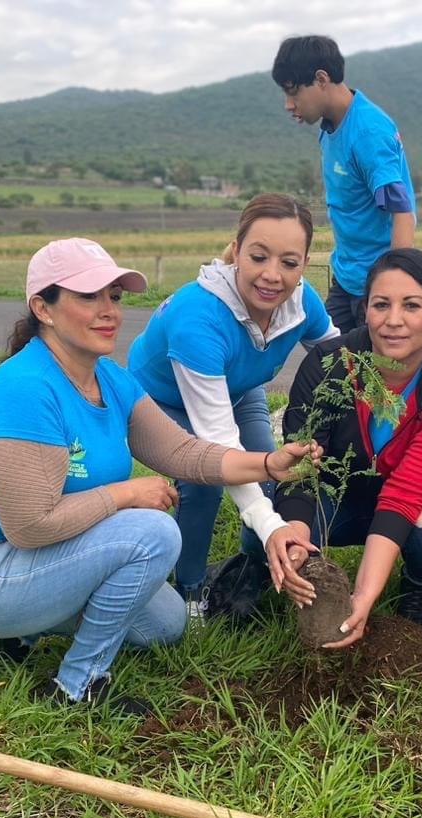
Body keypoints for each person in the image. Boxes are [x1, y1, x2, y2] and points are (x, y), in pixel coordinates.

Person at [0, 238, 317, 715]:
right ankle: (77, 684)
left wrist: (268, 464)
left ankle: (25, 627)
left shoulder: (108, 377)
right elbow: (28, 527)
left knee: (166, 624)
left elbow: (183, 452)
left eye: (114, 296)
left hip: (40, 558)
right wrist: (127, 493)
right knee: (152, 532)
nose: (109, 310)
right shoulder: (25, 387)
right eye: (88, 297)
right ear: (42, 308)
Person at [125, 193, 339, 616]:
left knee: (270, 476)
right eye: (258, 257)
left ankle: (257, 565)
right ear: (236, 251)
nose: (272, 276)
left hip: (239, 390)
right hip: (161, 400)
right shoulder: (198, 318)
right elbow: (219, 447)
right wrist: (271, 523)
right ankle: (189, 592)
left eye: (290, 263)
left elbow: (339, 354)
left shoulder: (301, 301)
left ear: (305, 264)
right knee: (204, 483)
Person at [263, 248, 422, 643]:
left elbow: (405, 493)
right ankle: (284, 574)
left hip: (406, 499)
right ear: (365, 310)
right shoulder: (327, 364)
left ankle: (417, 583)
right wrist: (296, 532)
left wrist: (364, 596)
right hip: (332, 494)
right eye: (381, 305)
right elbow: (301, 467)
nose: (394, 321)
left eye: (412, 306)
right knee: (264, 533)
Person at [271, 35, 416, 333]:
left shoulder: (367, 132)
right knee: (328, 358)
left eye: (293, 92)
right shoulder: (330, 126)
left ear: (321, 79)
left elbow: (402, 213)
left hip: (376, 284)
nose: (288, 104)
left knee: (376, 373)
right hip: (347, 276)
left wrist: (393, 287)